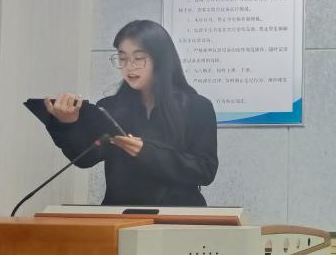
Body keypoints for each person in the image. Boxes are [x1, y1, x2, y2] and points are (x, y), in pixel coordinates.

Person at [44, 19, 218, 206]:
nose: (129, 66)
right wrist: (68, 125)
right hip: (120, 214)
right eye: (122, 58)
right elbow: (86, 158)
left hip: (179, 216)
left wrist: (147, 152)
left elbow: (204, 170)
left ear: (161, 60)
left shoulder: (196, 107)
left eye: (139, 58)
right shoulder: (110, 108)